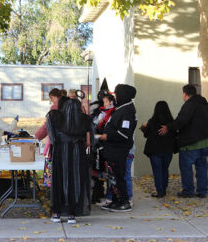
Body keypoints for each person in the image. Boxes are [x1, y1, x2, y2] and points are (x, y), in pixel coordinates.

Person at [47, 97, 91, 224]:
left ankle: (57, 213)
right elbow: (89, 141)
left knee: (59, 180)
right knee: (75, 181)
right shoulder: (85, 119)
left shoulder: (54, 116)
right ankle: (72, 213)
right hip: (78, 152)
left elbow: (52, 138)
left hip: (60, 151)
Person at [159, 85, 208, 198]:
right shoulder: (204, 104)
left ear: (185, 94)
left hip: (190, 143)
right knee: (202, 167)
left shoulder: (190, 104)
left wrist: (168, 127)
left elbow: (181, 121)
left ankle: (188, 190)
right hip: (205, 142)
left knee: (186, 167)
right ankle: (202, 191)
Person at [100, 84, 137, 212]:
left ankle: (124, 201)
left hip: (119, 150)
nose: (114, 97)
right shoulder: (121, 109)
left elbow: (124, 133)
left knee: (119, 176)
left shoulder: (128, 111)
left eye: (116, 94)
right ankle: (115, 200)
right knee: (113, 177)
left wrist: (106, 136)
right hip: (112, 150)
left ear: (123, 95)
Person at [141, 101, 177, 198]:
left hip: (155, 150)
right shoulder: (171, 123)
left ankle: (160, 191)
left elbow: (146, 134)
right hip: (168, 150)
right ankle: (164, 189)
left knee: (157, 171)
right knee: (164, 169)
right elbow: (175, 135)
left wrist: (143, 127)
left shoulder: (152, 121)